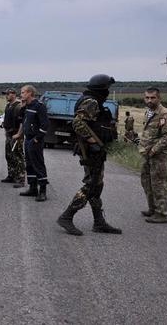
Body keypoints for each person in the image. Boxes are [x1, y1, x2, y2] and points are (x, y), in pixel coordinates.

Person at [57, 74, 122, 235]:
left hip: (94, 151)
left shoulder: (91, 99)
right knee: (91, 184)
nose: (108, 91)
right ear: (101, 88)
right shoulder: (91, 101)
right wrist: (94, 142)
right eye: (107, 88)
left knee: (97, 185)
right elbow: (78, 123)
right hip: (91, 151)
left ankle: (99, 222)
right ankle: (67, 216)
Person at [138, 87, 167, 223]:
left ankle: (161, 214)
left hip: (158, 156)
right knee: (146, 182)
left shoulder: (164, 113)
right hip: (146, 154)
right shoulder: (148, 112)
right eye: (147, 97)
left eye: (153, 97)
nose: (149, 100)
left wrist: (154, 150)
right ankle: (152, 209)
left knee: (158, 183)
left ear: (159, 98)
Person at [19, 85, 50, 201]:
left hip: (35, 140)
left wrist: (37, 139)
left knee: (38, 164)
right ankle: (33, 188)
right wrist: (22, 107)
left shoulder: (39, 106)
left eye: (23, 92)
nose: (21, 95)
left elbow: (45, 125)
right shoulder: (27, 106)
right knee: (29, 164)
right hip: (27, 139)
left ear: (30, 93)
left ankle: (42, 191)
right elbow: (20, 118)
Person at [0, 88, 25, 188]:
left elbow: (22, 122)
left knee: (18, 157)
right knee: (9, 155)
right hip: (9, 135)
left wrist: (19, 134)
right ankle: (11, 175)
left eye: (8, 94)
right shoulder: (8, 105)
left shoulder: (18, 106)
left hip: (16, 135)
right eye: (5, 94)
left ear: (14, 94)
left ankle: (21, 179)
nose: (6, 96)